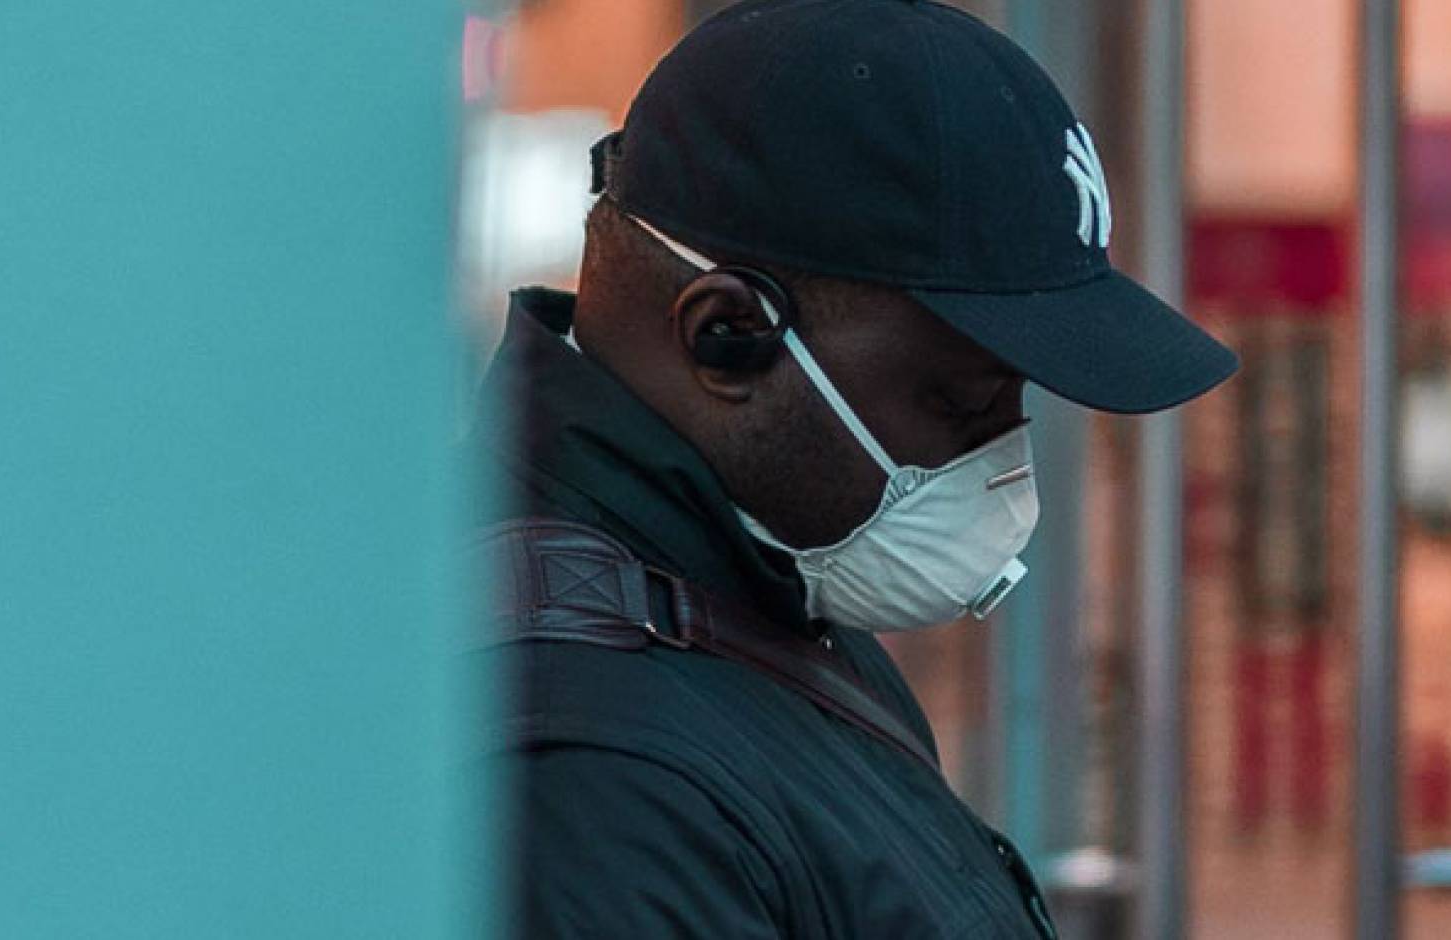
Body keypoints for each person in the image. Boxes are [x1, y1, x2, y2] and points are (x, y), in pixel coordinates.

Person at [471, 1, 1237, 936]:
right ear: (728, 336)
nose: (1004, 459)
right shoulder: (596, 778)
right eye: (959, 403)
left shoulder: (757, 592)